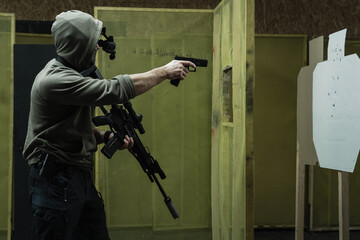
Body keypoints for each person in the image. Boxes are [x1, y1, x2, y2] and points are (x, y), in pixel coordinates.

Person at [23, 10, 196, 240]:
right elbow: (112, 90)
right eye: (93, 42)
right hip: (56, 180)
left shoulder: (72, 75)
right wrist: (164, 72)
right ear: (78, 45)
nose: (97, 47)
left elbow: (69, 129)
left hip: (76, 177)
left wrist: (105, 136)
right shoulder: (54, 80)